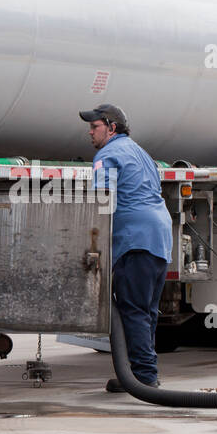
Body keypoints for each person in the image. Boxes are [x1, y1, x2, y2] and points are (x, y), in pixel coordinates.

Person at [80, 104, 173, 390]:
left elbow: (102, 200)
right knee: (146, 312)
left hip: (134, 240)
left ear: (112, 127)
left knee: (132, 310)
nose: (90, 132)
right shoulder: (141, 152)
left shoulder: (106, 155)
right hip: (159, 237)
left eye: (95, 127)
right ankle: (142, 372)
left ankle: (143, 377)